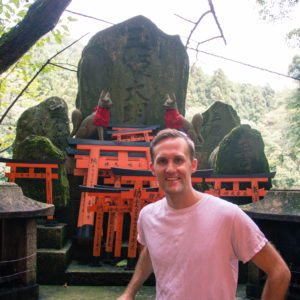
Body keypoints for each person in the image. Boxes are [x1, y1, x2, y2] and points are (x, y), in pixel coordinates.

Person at [117, 128, 291, 300]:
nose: (170, 169)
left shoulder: (227, 215)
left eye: (178, 160)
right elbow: (151, 250)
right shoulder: (148, 216)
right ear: (152, 168)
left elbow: (279, 272)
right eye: (162, 161)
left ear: (192, 165)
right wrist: (130, 292)